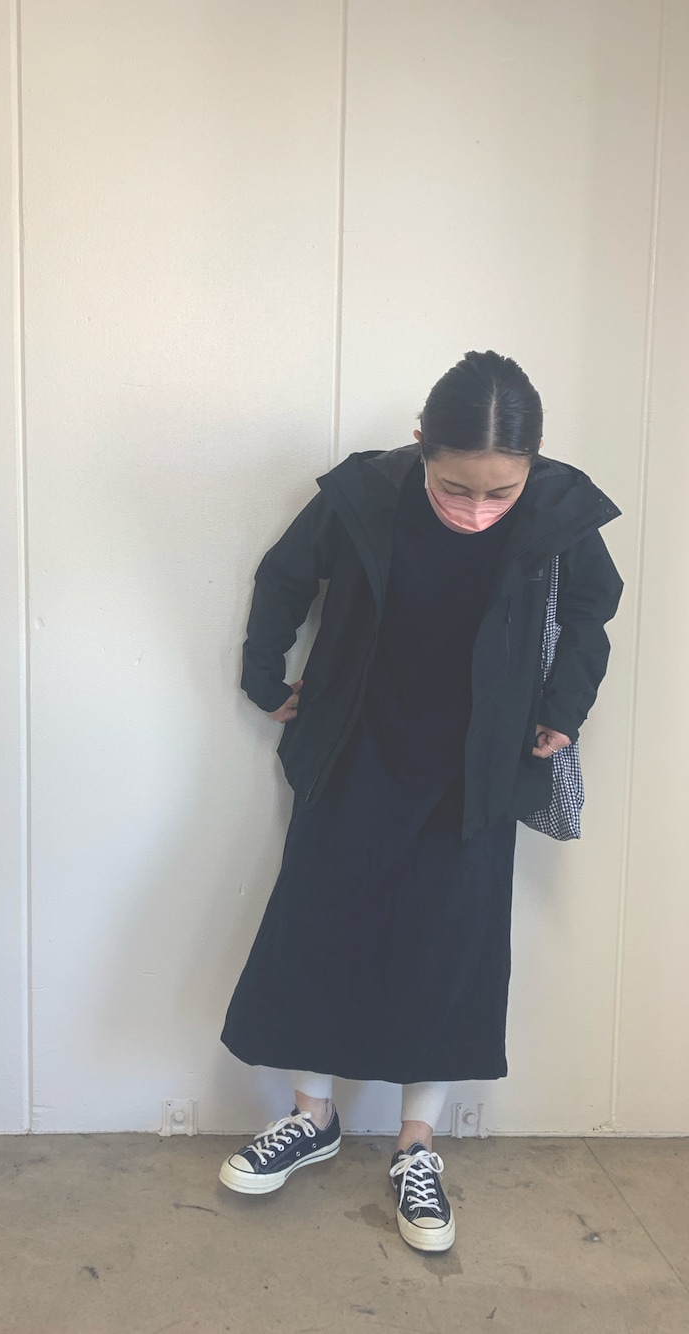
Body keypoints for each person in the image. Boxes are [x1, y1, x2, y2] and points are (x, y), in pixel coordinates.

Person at [218, 351, 623, 1253]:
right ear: (419, 445)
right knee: (317, 921)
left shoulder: (558, 508)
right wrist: (263, 677)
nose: (477, 508)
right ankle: (312, 1116)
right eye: (455, 488)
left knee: (451, 941)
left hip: (476, 760)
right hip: (356, 738)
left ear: (533, 462)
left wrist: (563, 711)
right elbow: (285, 576)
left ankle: (416, 1146)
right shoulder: (364, 493)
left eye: (499, 492)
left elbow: (591, 613)